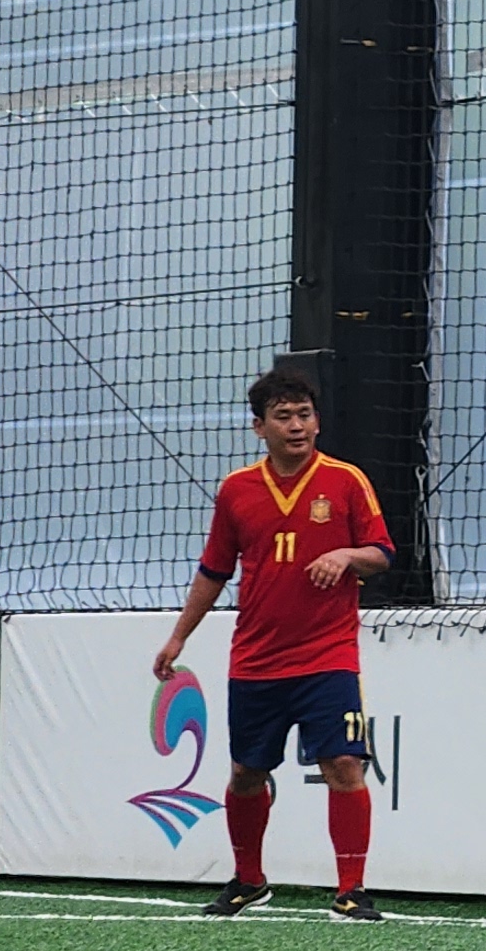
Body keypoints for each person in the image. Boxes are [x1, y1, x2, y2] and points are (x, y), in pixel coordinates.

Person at [155, 363, 393, 920]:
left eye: (304, 415)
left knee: (344, 764)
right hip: (256, 660)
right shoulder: (236, 490)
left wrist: (346, 555)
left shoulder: (346, 481)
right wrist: (178, 637)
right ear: (259, 427)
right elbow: (214, 570)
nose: (297, 426)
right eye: (283, 417)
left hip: (329, 657)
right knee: (245, 773)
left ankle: (351, 889)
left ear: (318, 421)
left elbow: (382, 553)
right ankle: (249, 880)